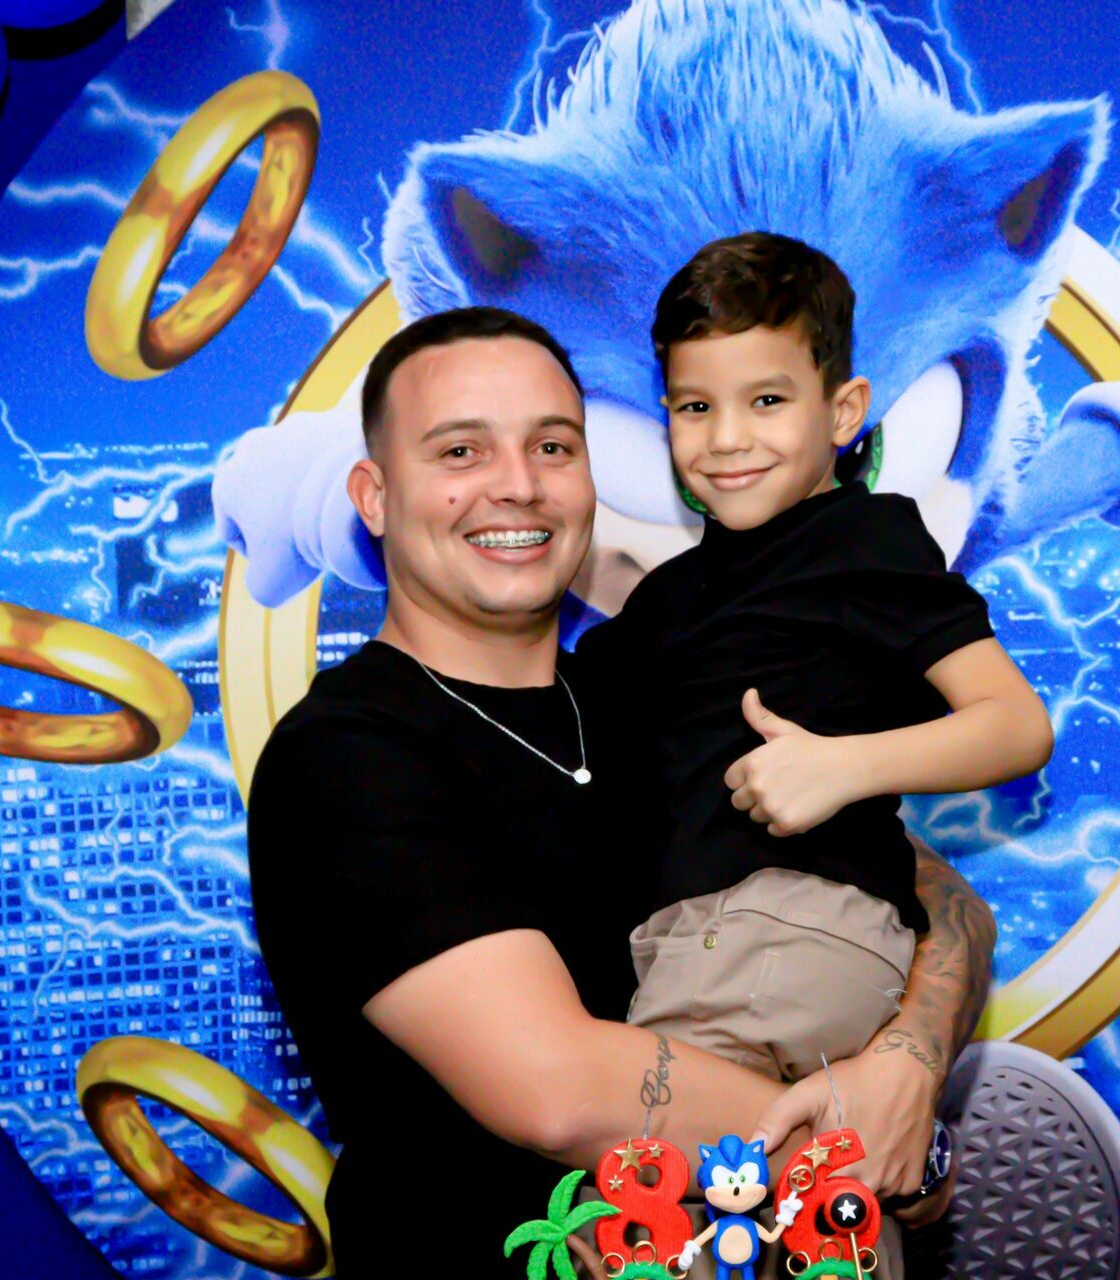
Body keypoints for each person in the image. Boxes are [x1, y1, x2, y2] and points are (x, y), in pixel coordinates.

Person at [240, 307, 996, 1278]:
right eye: (460, 450)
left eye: (553, 445)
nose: (517, 483)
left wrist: (910, 1064)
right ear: (375, 496)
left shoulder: (661, 695)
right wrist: (859, 1148)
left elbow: (945, 902)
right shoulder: (347, 752)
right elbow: (559, 1087)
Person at [575, 232, 1053, 1090]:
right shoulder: (667, 598)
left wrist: (841, 767)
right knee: (764, 1179)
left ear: (843, 411)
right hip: (687, 949)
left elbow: (1016, 725)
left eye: (766, 400)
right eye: (695, 407)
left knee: (654, 1163)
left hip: (781, 934)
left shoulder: (866, 537)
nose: (727, 438)